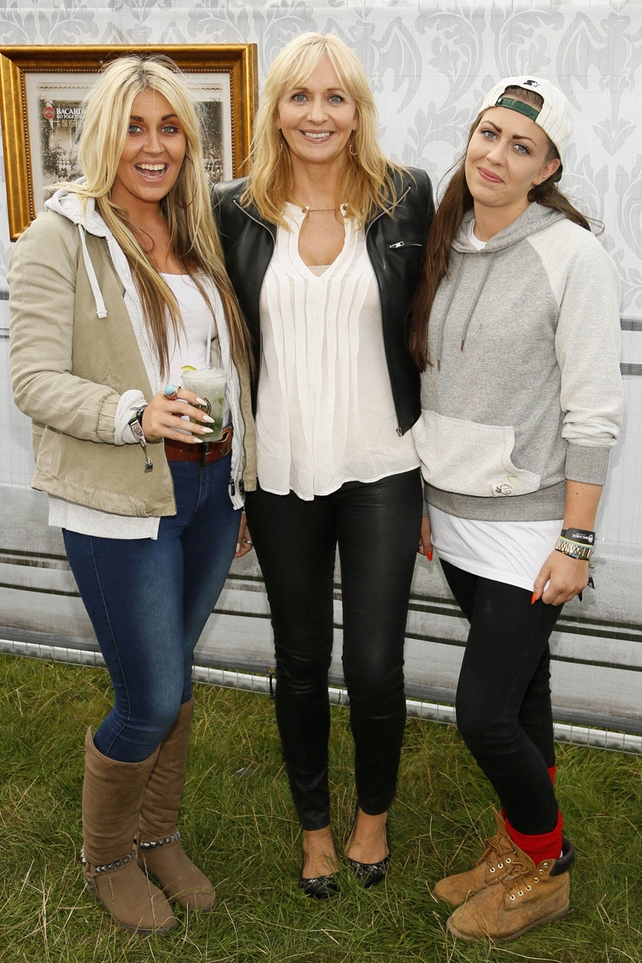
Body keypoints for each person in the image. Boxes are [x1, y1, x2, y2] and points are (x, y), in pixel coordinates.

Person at [9, 56, 255, 934]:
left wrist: (240, 480)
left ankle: (160, 832)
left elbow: (233, 368)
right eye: (136, 127)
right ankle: (107, 853)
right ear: (103, 135)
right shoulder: (57, 235)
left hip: (208, 486)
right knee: (148, 694)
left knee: (176, 676)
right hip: (118, 493)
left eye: (171, 127)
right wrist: (131, 411)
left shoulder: (201, 234)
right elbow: (33, 379)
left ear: (189, 140)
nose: (154, 147)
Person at [213, 33, 433, 897]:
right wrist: (232, 480)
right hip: (281, 471)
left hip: (382, 462)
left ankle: (371, 817)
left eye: (334, 98)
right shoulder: (234, 207)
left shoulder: (403, 197)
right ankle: (314, 827)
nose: (317, 114)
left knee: (376, 662)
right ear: (275, 110)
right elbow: (222, 346)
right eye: (299, 97)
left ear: (358, 110)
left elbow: (433, 325)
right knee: (300, 656)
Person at [411, 76, 623, 941]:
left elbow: (594, 412)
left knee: (484, 714)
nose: (495, 155)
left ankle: (548, 871)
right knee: (524, 699)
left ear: (549, 167)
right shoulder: (445, 242)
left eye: (520, 146)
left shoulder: (574, 257)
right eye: (487, 134)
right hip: (455, 516)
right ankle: (521, 845)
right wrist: (427, 494)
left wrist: (577, 541)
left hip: (531, 528)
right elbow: (435, 381)